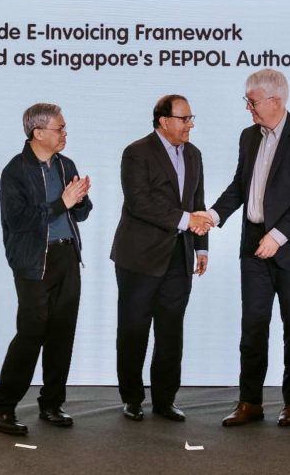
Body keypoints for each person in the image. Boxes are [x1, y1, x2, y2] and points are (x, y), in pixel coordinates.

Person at [204, 69, 290, 428]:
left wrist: (277, 235)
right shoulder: (248, 136)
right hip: (254, 245)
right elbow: (240, 186)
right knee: (253, 326)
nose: (249, 108)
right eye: (247, 101)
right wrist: (213, 215)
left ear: (275, 100)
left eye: (253, 102)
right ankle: (250, 402)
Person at [0, 103, 92, 436]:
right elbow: (18, 221)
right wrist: (62, 203)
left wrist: (81, 199)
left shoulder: (65, 164)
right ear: (38, 132)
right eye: (60, 128)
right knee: (31, 335)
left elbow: (81, 214)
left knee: (62, 334)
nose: (65, 134)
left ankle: (52, 404)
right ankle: (1, 408)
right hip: (34, 262)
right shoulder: (15, 171)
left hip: (67, 257)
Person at [111, 94, 210, 422]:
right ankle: (132, 398)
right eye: (185, 118)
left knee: (171, 333)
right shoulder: (137, 152)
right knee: (134, 330)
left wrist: (201, 247)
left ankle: (165, 400)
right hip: (139, 258)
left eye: (191, 118)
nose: (190, 124)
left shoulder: (194, 154)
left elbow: (197, 203)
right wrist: (186, 220)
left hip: (179, 258)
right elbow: (139, 202)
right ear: (164, 121)